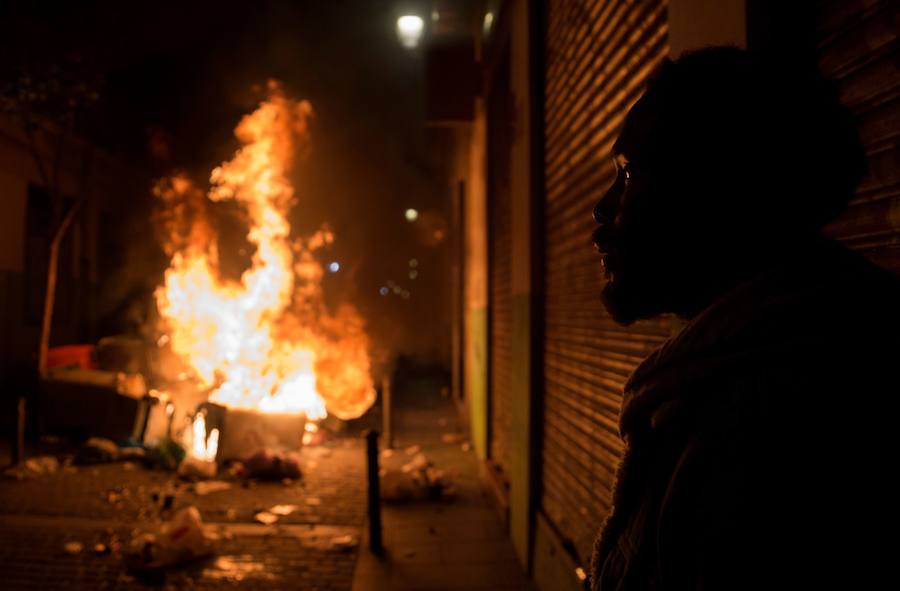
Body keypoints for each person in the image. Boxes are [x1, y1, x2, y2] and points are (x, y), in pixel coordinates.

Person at [589, 46, 899, 590]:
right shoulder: (745, 374)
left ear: (718, 194)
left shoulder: (769, 434)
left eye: (630, 173)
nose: (602, 209)